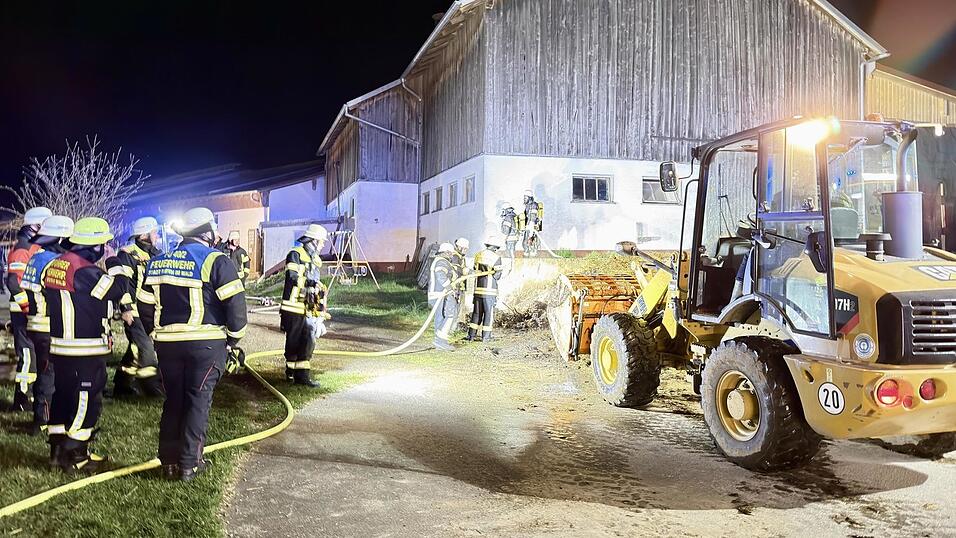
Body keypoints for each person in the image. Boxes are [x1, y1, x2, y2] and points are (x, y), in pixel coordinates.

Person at [138, 207, 247, 481]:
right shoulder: (217, 260)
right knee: (197, 401)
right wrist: (233, 339)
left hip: (167, 346)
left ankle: (168, 463)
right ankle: (190, 465)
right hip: (206, 346)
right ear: (207, 232)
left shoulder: (158, 261)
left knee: (173, 401)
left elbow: (145, 305)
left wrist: (155, 332)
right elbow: (235, 306)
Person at [43, 217, 128, 473]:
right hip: (84, 347)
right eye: (103, 244)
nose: (105, 249)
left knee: (62, 396)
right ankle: (76, 455)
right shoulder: (85, 271)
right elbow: (119, 288)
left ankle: (57, 450)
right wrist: (114, 261)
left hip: (61, 346)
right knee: (86, 399)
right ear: (93, 246)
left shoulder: (55, 265)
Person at [21, 215, 74, 435]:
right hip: (48, 326)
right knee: (49, 374)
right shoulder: (52, 262)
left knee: (45, 371)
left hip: (36, 324)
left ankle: (42, 416)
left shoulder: (36, 258)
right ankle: (42, 419)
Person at [105, 216, 163, 397]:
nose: (157, 236)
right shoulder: (127, 254)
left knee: (135, 349)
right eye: (154, 232)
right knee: (145, 350)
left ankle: (121, 386)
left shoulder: (156, 254)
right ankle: (152, 389)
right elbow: (124, 285)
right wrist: (126, 309)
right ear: (144, 234)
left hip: (151, 311)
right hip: (134, 311)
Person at [6, 206, 53, 412]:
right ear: (35, 226)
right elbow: (14, 283)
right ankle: (21, 398)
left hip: (34, 312)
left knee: (36, 355)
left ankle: (33, 395)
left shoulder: (34, 249)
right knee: (27, 355)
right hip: (22, 312)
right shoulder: (22, 250)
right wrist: (27, 307)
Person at [280, 224, 329, 387]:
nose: (322, 245)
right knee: (293, 342)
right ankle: (291, 373)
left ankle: (303, 376)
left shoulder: (315, 260)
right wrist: (310, 282)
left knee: (308, 342)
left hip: (308, 309)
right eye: (321, 242)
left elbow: (313, 285)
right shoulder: (295, 255)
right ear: (313, 241)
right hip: (293, 307)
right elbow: (292, 277)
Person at [468, 237, 504, 342]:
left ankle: (471, 335)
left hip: (478, 289)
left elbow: (475, 269)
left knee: (476, 313)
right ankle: (486, 337)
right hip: (489, 291)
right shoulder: (496, 258)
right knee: (488, 314)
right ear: (494, 247)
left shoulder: (478, 255)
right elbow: (497, 275)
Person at [428, 243, 459, 351]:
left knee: (440, 318)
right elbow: (440, 275)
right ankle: (440, 341)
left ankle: (440, 342)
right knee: (447, 316)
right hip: (439, 294)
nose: (451, 256)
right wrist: (449, 287)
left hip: (438, 294)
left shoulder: (439, 260)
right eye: (451, 253)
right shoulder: (442, 261)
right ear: (446, 252)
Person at [518, 190, 544, 257]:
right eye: (524, 197)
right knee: (525, 242)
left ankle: (533, 253)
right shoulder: (528, 205)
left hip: (532, 226)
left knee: (531, 241)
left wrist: (531, 232)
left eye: (525, 197)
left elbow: (532, 219)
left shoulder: (533, 205)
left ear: (529, 198)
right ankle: (527, 252)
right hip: (528, 226)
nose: (524, 199)